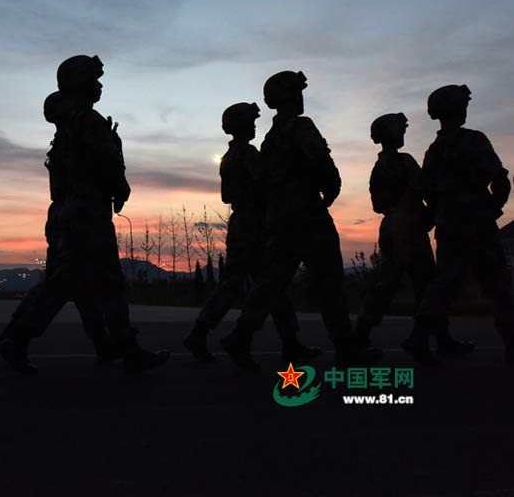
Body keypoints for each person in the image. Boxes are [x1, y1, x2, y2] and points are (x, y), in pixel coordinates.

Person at [0, 55, 169, 375]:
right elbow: (107, 164)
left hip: (68, 211)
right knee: (88, 283)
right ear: (80, 82)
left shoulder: (67, 124)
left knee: (85, 284)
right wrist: (121, 186)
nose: (99, 86)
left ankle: (110, 346)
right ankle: (17, 339)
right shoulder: (87, 120)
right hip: (86, 213)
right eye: (94, 79)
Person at [219, 71, 373, 371]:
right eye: (298, 92)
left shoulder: (270, 139)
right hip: (307, 216)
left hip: (280, 219)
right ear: (291, 96)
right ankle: (346, 350)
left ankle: (240, 336)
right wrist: (331, 186)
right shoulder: (300, 126)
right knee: (329, 284)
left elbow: (263, 181)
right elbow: (320, 158)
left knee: (270, 285)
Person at [183, 102, 321, 363]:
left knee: (254, 286)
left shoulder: (229, 157)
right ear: (242, 125)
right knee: (268, 285)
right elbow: (268, 183)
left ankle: (202, 334)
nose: (255, 125)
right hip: (254, 225)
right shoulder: (247, 154)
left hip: (242, 223)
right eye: (251, 121)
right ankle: (283, 342)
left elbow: (226, 196)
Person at [403, 85, 513, 365]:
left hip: (449, 226)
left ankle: (419, 336)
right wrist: (493, 208)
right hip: (478, 223)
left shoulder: (434, 150)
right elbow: (499, 179)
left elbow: (425, 191)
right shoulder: (473, 140)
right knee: (498, 284)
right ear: (457, 109)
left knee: (443, 284)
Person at [355, 113, 472, 359]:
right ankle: (360, 340)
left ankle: (441, 339)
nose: (404, 133)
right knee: (419, 286)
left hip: (394, 227)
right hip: (408, 230)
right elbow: (426, 187)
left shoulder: (380, 165)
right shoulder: (404, 161)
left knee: (413, 285)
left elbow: (378, 204)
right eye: (400, 129)